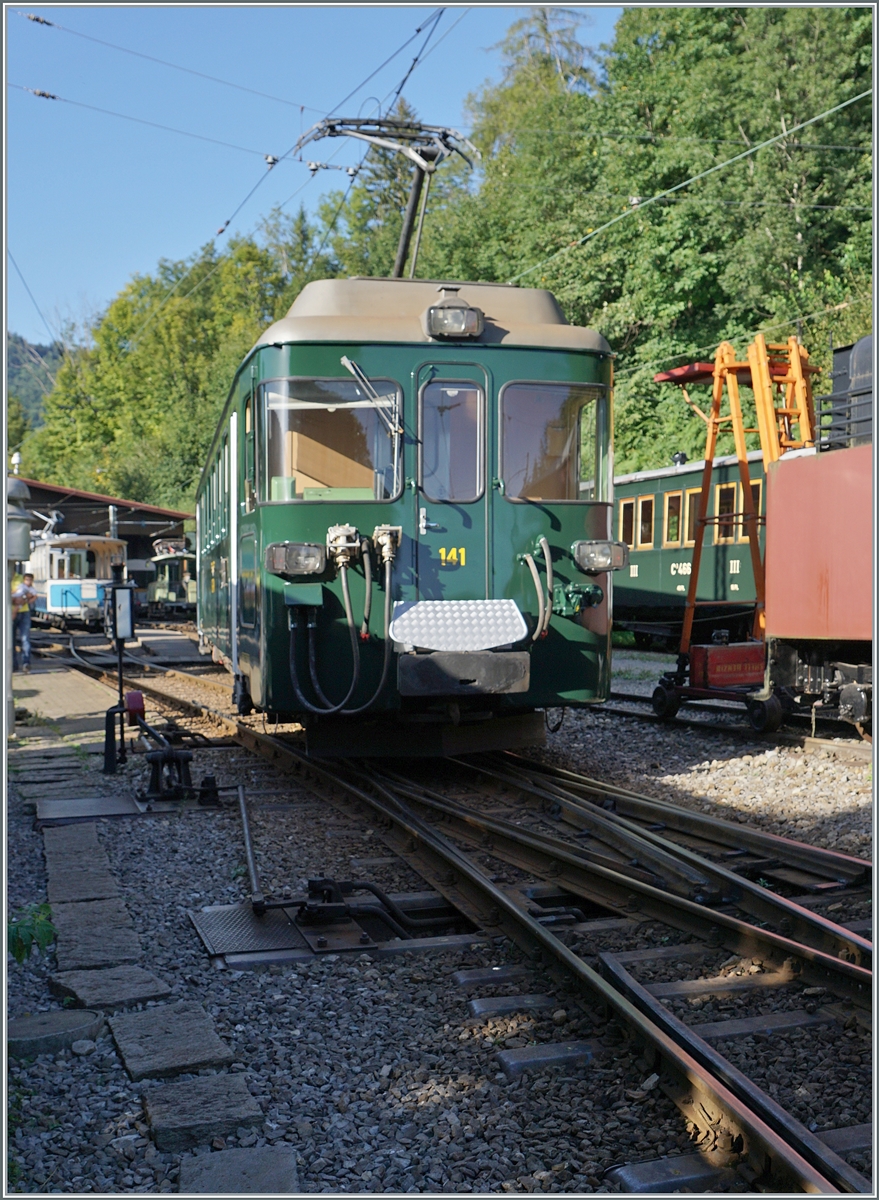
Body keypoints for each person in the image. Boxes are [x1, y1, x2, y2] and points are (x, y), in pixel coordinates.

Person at [12, 573, 38, 673]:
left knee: (25, 638)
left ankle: (26, 663)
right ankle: (13, 664)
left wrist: (24, 599)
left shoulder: (20, 577)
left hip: (24, 611)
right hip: (9, 611)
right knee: (10, 640)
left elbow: (31, 594)